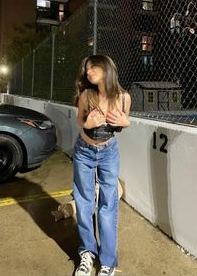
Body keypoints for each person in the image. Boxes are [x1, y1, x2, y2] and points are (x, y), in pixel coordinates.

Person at [73, 54, 131, 276]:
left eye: (92, 67)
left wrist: (126, 122)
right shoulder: (86, 95)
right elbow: (80, 120)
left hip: (108, 153)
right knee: (84, 202)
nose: (88, 71)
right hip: (84, 152)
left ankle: (108, 262)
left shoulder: (124, 98)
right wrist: (87, 123)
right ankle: (87, 252)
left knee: (108, 205)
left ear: (107, 67)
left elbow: (124, 121)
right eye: (86, 68)